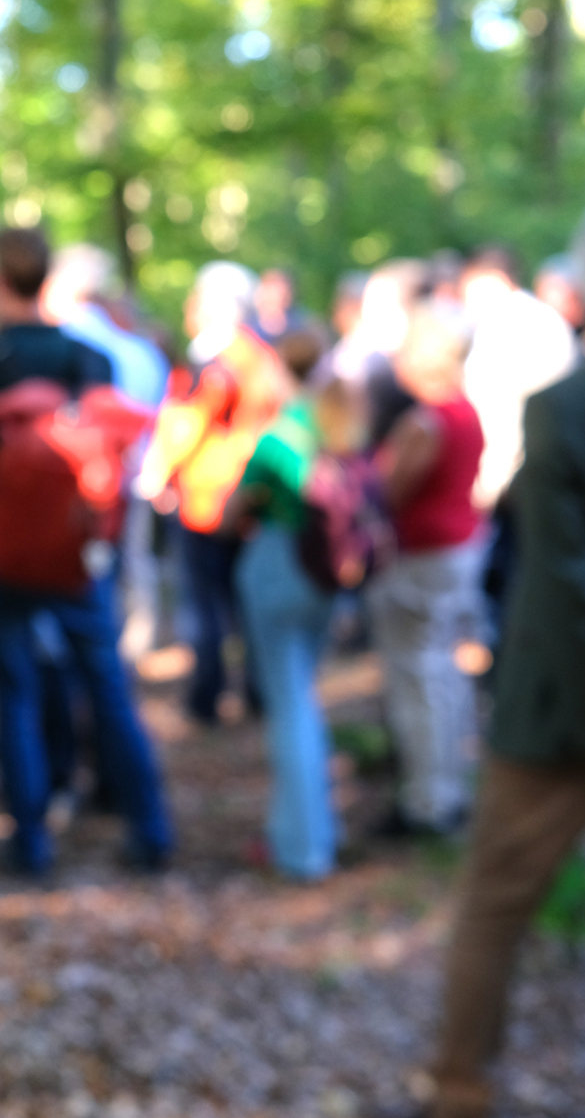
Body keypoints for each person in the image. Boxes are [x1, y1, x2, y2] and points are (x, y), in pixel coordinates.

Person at [422, 189, 585, 1118]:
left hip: (565, 713)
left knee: (495, 903)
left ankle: (458, 1087)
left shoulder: (567, 410)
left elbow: (568, 584)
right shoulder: (572, 405)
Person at [0, 227, 173, 875]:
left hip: (1, 552)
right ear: (46, 279)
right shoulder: (88, 361)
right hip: (79, 553)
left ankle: (30, 839)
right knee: (106, 686)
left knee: (15, 689)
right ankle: (150, 827)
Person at [223, 329, 357, 881]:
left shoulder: (279, 437)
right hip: (327, 572)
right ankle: (311, 829)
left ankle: (303, 847)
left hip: (283, 566)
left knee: (290, 705)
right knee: (303, 697)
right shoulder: (340, 423)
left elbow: (231, 511)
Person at [136, 261, 289, 723]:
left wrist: (157, 472)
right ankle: (257, 692)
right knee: (245, 601)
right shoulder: (262, 356)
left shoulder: (218, 361)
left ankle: (208, 696)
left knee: (205, 606)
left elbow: (187, 422)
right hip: (250, 495)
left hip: (210, 497)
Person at [367, 304, 486, 836]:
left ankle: (428, 799)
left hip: (424, 559)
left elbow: (389, 488)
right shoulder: (463, 411)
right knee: (440, 674)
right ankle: (446, 787)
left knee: (419, 678)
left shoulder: (428, 421)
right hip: (455, 552)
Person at [44, 244, 169, 661]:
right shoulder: (139, 350)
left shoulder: (67, 345)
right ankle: (134, 643)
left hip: (85, 487)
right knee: (132, 562)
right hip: (134, 476)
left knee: (93, 572)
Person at [458, 246, 577, 512]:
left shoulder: (502, 329)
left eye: (467, 289)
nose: (465, 302)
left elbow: (500, 422)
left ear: (492, 281)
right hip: (552, 469)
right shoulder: (545, 318)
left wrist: (484, 493)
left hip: (513, 482)